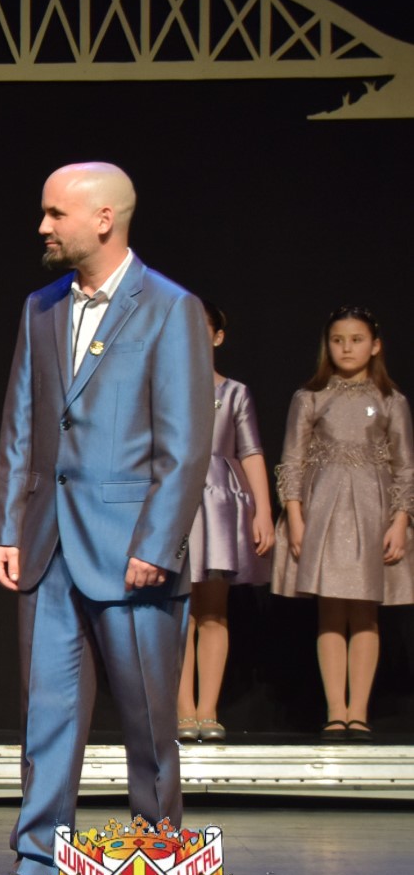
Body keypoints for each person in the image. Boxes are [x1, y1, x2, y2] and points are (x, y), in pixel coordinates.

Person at [0, 162, 212, 875]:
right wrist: (6, 527)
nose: (42, 226)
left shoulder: (170, 307)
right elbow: (21, 422)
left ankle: (160, 865)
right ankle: (38, 863)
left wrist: (157, 544)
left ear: (105, 218)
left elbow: (185, 443)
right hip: (47, 547)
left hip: (132, 550)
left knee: (148, 725)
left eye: (56, 214)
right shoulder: (41, 307)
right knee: (45, 713)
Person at [271, 306, 412, 740]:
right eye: (337, 340)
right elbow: (292, 461)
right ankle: (336, 710)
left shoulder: (391, 400)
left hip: (372, 513)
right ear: (327, 346)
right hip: (324, 513)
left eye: (356, 340)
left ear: (375, 345)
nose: (347, 348)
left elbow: (405, 466)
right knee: (331, 613)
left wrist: (400, 521)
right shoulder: (310, 397)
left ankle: (358, 711)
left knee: (365, 615)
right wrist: (295, 517)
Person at [177, 302, 274, 743]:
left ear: (218, 336)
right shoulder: (165, 387)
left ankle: (208, 710)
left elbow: (250, 452)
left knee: (214, 609)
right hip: (178, 499)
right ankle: (182, 710)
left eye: (203, 328)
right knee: (179, 610)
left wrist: (263, 512)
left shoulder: (234, 392)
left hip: (219, 503)